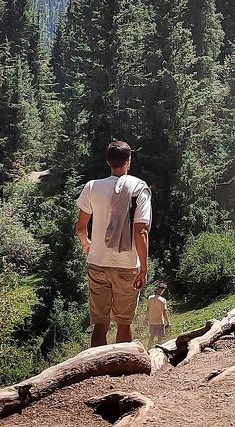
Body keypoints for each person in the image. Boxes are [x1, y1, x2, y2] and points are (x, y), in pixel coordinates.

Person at [76, 141, 152, 347]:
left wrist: (87, 245)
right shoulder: (139, 188)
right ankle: (122, 373)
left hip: (97, 262)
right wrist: (144, 269)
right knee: (124, 324)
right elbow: (141, 231)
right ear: (128, 161)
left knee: (100, 324)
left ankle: (97, 372)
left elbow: (81, 228)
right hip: (127, 266)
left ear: (108, 161)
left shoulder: (92, 187)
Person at [145, 283, 171, 348]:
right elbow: (164, 312)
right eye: (163, 290)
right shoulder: (163, 300)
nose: (163, 292)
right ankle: (157, 348)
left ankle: (149, 348)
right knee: (160, 336)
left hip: (152, 321)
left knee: (152, 336)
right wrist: (168, 322)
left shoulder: (150, 298)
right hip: (159, 321)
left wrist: (146, 319)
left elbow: (148, 309)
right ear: (161, 290)